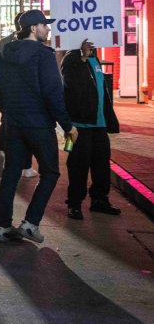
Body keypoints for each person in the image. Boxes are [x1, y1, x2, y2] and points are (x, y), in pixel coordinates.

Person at [0, 9, 78, 243]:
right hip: (39, 124)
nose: (48, 29)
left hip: (14, 123)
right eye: (44, 25)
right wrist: (67, 125)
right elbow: (53, 93)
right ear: (32, 28)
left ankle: (2, 226)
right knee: (50, 172)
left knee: (11, 174)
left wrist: (10, 110)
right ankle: (30, 223)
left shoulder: (3, 54)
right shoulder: (43, 55)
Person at [61, 38, 121, 220]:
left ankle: (100, 200)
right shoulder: (70, 59)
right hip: (78, 126)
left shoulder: (95, 60)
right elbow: (71, 87)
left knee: (102, 164)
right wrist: (82, 58)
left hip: (99, 125)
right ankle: (74, 204)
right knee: (77, 165)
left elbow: (101, 91)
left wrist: (109, 118)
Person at [0, 12, 38, 179]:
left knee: (6, 124)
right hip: (27, 96)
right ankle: (25, 166)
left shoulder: (3, 43)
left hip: (7, 94)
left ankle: (2, 151)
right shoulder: (32, 45)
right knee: (27, 131)